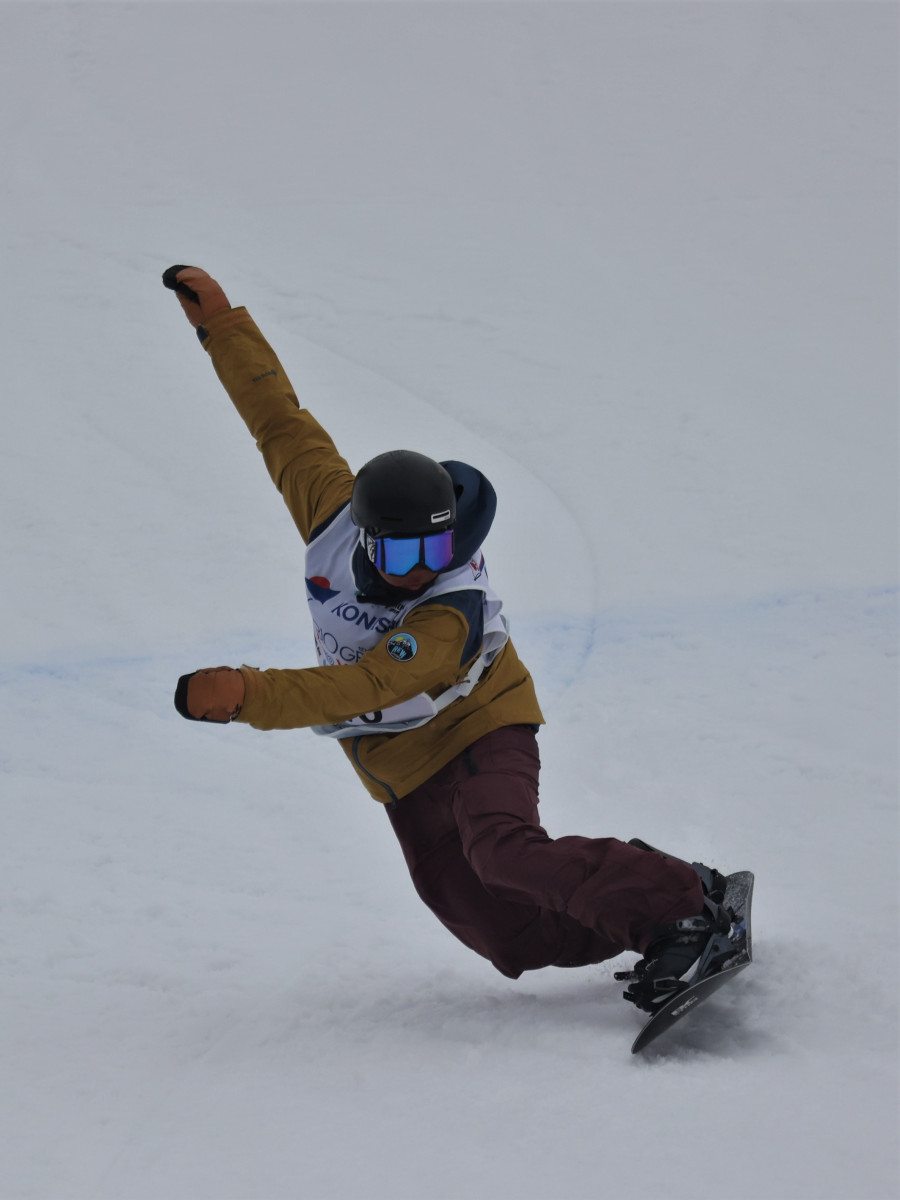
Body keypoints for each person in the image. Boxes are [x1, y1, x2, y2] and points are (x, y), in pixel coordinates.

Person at [163, 265, 734, 1013]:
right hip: (403, 759)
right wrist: (223, 327)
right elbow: (278, 420)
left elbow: (367, 684)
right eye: (403, 553)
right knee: (505, 933)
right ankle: (659, 908)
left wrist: (249, 694)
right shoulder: (331, 510)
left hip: (480, 720)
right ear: (367, 536)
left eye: (437, 549)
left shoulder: (447, 611)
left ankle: (679, 909)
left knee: (504, 850)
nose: (420, 570)